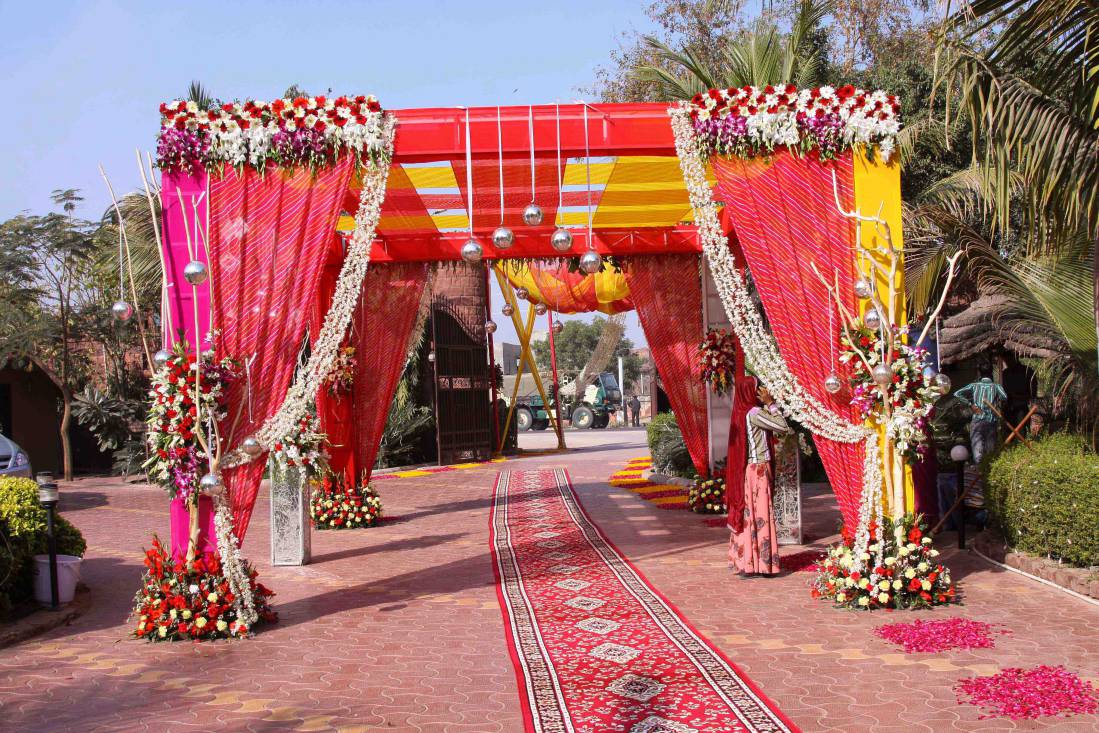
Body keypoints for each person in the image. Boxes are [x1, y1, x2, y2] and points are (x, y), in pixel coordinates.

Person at [726, 376, 791, 577]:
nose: (761, 391)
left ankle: (749, 561)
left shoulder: (740, 412)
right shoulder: (754, 413)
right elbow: (782, 426)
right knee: (761, 513)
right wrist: (771, 403)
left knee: (750, 514)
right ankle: (761, 564)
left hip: (750, 469)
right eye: (758, 388)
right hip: (759, 469)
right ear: (751, 392)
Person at [954, 364, 1008, 465]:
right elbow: (1005, 397)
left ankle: (980, 470)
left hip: (977, 421)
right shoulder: (996, 386)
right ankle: (988, 470)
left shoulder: (974, 385)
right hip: (991, 421)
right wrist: (996, 401)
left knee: (977, 447)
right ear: (991, 373)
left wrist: (971, 404)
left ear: (980, 373)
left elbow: (957, 394)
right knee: (990, 450)